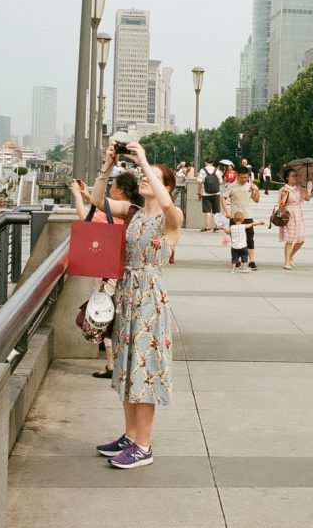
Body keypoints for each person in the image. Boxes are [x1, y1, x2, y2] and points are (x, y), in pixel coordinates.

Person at [91, 141, 182, 469]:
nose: (143, 179)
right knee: (129, 367)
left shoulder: (171, 219)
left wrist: (143, 159)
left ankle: (143, 445)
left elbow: (169, 205)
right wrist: (108, 164)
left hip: (149, 299)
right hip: (128, 294)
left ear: (166, 186)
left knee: (145, 370)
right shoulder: (133, 211)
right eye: (143, 175)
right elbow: (95, 200)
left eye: (151, 177)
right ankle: (130, 436)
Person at [70, 172, 143, 379]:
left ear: (119, 190)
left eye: (112, 186)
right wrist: (86, 194)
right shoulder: (133, 212)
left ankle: (112, 365)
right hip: (124, 270)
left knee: (105, 316)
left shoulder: (115, 213)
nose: (110, 189)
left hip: (108, 273)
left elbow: (85, 217)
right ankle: (120, 363)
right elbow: (100, 204)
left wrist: (77, 195)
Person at [222, 165, 262, 270]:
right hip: (235, 217)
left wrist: (256, 190)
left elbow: (256, 200)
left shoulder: (249, 186)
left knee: (250, 239)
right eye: (242, 177)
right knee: (235, 239)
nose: (244, 179)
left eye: (246, 177)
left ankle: (251, 261)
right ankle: (237, 260)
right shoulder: (231, 186)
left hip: (248, 216)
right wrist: (227, 211)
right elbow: (223, 198)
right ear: (237, 176)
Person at [279, 167, 311, 269]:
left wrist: (308, 190)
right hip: (289, 215)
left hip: (298, 214)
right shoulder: (284, 189)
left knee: (301, 239)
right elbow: (281, 205)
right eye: (293, 176)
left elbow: (307, 199)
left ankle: (291, 255)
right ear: (287, 178)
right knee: (289, 239)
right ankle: (287, 261)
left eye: (296, 176)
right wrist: (284, 195)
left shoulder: (299, 188)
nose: (295, 177)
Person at [197, 157, 222, 232]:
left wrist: (198, 193)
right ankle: (217, 227)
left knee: (207, 211)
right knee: (217, 210)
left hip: (206, 194)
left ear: (205, 162)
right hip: (216, 193)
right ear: (213, 162)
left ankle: (207, 228)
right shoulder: (217, 170)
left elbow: (199, 182)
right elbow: (220, 182)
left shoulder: (203, 170)